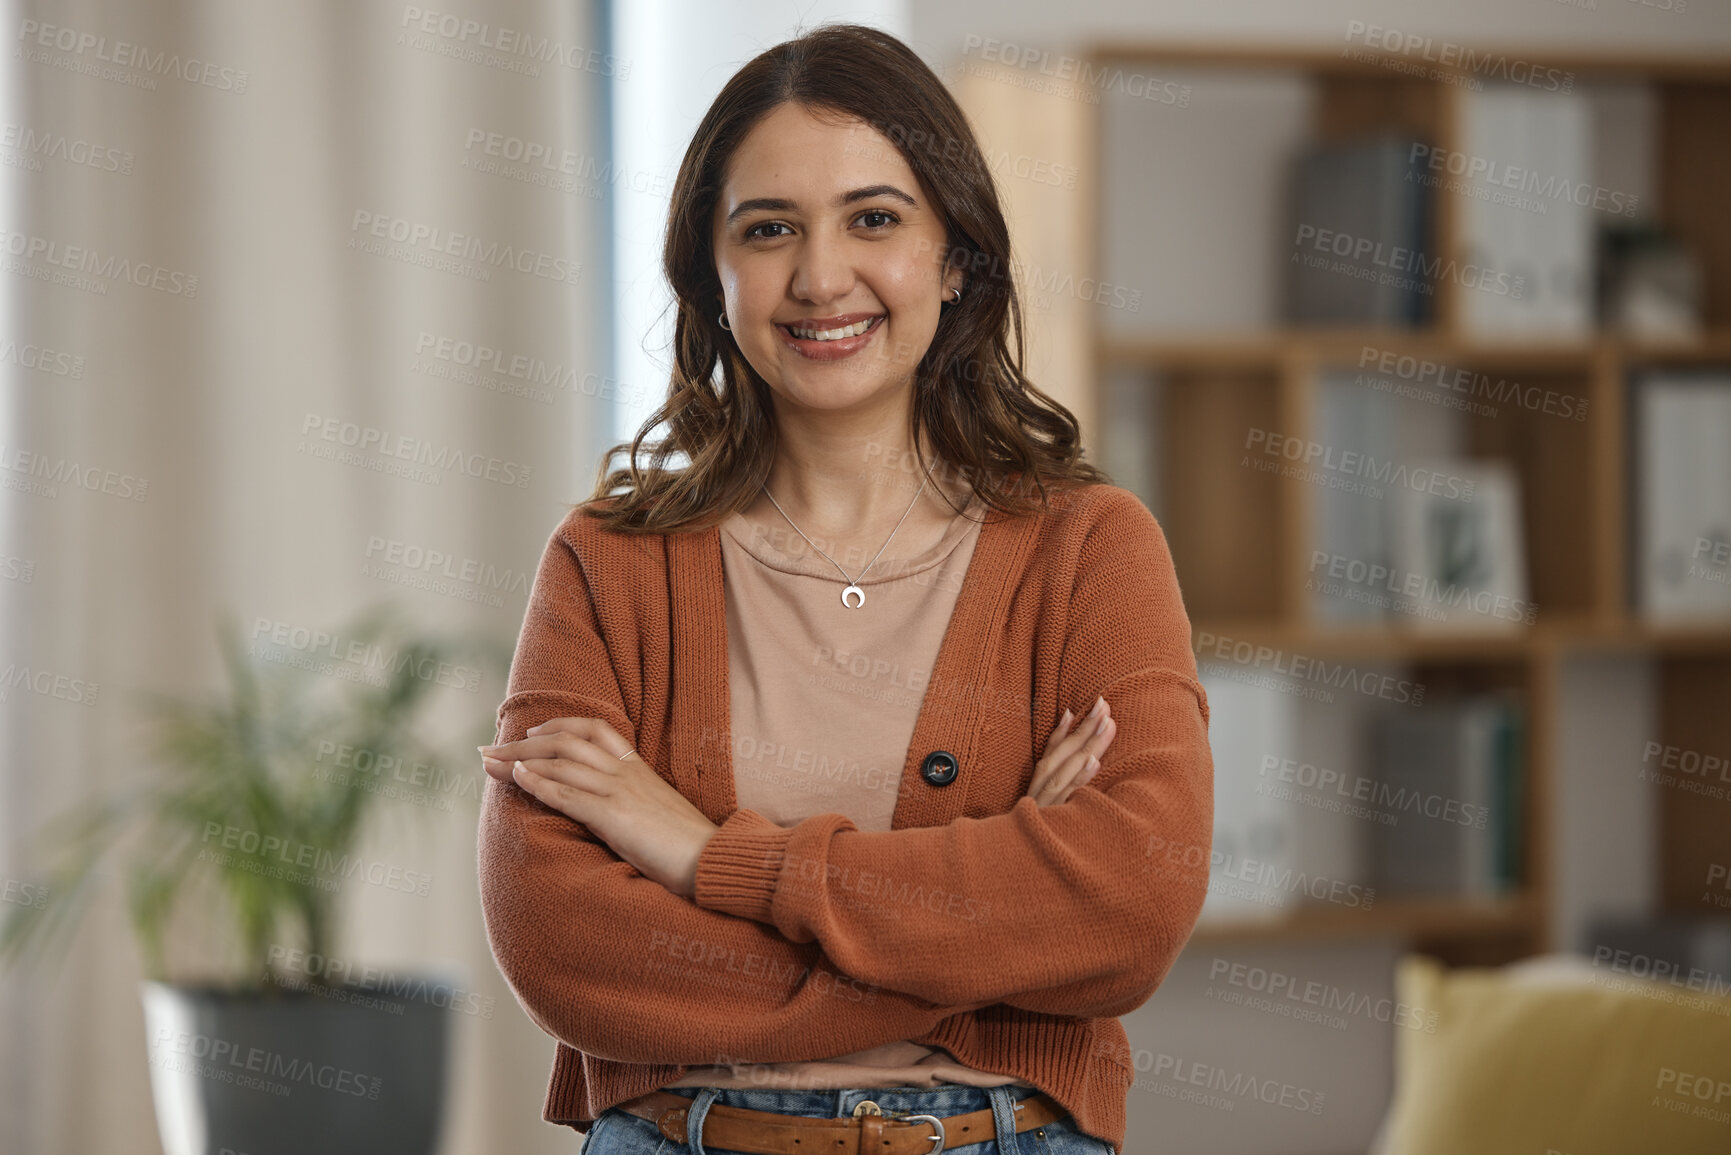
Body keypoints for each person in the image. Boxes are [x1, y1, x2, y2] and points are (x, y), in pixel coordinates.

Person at [476, 22, 1212, 1155]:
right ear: (710, 278)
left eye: (875, 218)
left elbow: (1132, 907)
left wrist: (708, 857)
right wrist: (986, 938)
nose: (821, 278)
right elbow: (562, 947)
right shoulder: (608, 562)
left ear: (955, 256)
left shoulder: (1091, 551)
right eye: (769, 230)